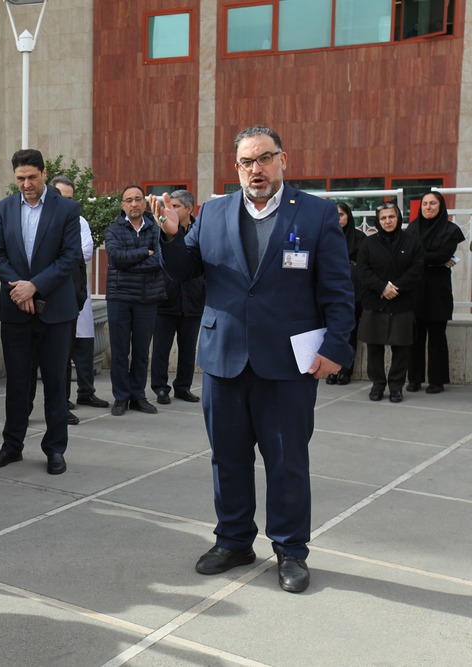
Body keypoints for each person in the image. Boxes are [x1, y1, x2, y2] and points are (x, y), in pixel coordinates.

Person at [153, 125, 354, 594]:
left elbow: (338, 288)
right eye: (247, 161)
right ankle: (233, 541)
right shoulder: (213, 213)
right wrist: (172, 236)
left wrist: (335, 348)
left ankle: (290, 550)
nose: (256, 169)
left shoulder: (316, 214)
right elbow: (184, 271)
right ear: (236, 168)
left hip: (287, 363)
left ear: (283, 160)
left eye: (264, 158)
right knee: (228, 458)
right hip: (224, 358)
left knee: (287, 461)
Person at [0, 149, 82, 475]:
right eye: (20, 179)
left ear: (43, 173)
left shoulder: (66, 209)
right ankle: (12, 446)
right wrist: (20, 289)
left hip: (56, 313)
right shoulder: (3, 209)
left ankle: (55, 449)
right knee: (17, 385)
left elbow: (69, 257)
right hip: (16, 312)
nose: (26, 184)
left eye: (31, 177)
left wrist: (35, 286)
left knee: (55, 384)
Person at [104, 185, 166, 416]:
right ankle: (121, 397)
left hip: (148, 298)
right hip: (119, 297)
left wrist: (131, 263)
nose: (134, 204)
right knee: (120, 351)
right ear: (123, 205)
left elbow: (161, 260)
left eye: (138, 199)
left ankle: (138, 396)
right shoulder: (113, 230)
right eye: (128, 200)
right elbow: (116, 258)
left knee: (141, 352)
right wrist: (144, 253)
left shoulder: (157, 230)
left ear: (145, 203)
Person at [51, 176, 109, 411]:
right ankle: (62, 399)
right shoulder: (46, 221)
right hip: (55, 292)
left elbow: (86, 252)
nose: (67, 203)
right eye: (62, 197)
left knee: (84, 344)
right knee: (61, 351)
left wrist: (63, 255)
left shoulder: (80, 221)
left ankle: (86, 392)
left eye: (70, 198)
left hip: (78, 290)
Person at [356, 203, 425, 403]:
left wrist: (396, 288)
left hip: (402, 301)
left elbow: (416, 269)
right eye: (383, 218)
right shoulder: (368, 243)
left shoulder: (412, 242)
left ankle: (396, 387)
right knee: (374, 347)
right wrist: (382, 288)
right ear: (378, 221)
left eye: (391, 217)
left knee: (401, 348)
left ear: (398, 218)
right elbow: (363, 271)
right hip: (375, 300)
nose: (388, 221)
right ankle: (377, 385)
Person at [406, 191, 466, 394]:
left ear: (440, 206)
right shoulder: (413, 228)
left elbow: (444, 255)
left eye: (432, 203)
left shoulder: (451, 230)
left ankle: (437, 381)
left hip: (438, 288)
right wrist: (432, 258)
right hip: (415, 286)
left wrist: (420, 257)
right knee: (415, 337)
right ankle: (414, 379)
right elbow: (410, 256)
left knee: (437, 336)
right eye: (425, 204)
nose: (428, 207)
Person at [150, 189, 204, 405]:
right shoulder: (161, 228)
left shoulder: (201, 230)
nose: (170, 210)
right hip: (165, 298)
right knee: (161, 349)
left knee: (188, 349)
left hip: (193, 300)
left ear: (189, 209)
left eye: (176, 206)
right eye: (169, 205)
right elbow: (154, 258)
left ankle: (183, 387)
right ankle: (160, 388)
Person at [326, 202, 367, 385]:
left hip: (352, 293)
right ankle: (332, 369)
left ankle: (346, 369)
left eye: (341, 214)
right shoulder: (325, 236)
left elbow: (365, 266)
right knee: (330, 331)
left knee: (350, 332)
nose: (338, 219)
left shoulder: (359, 238)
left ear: (348, 216)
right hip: (328, 292)